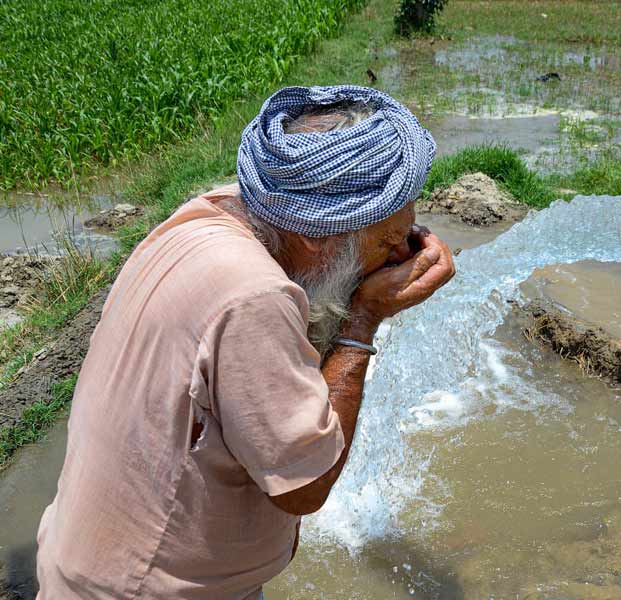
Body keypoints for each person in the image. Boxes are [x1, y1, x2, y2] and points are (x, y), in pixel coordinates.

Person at [35, 86, 455, 599]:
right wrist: (363, 319)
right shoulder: (256, 299)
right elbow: (305, 486)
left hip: (87, 558)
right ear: (319, 235)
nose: (398, 256)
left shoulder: (210, 214)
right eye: (388, 242)